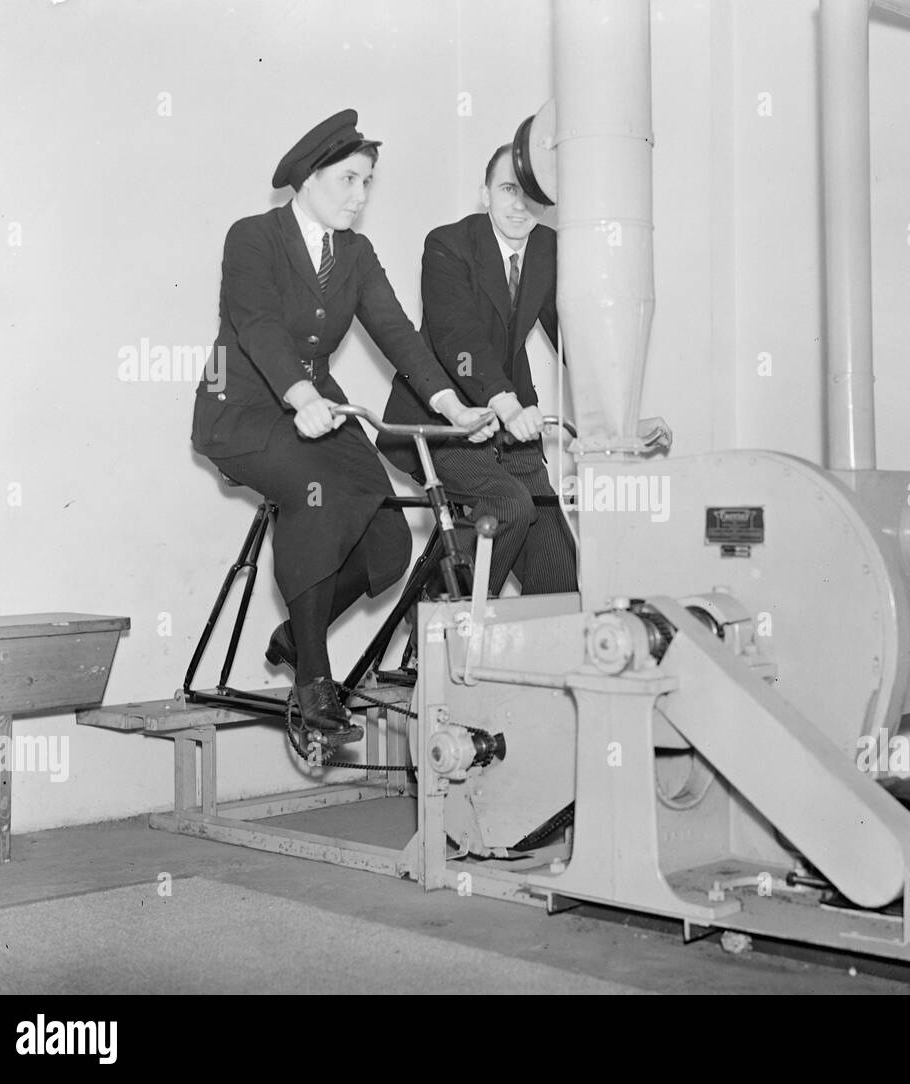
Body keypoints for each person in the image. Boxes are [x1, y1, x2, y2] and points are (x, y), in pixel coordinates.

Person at [191, 110, 497, 737]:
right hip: (245, 407)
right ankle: (314, 682)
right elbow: (259, 327)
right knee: (321, 495)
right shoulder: (253, 236)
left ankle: (295, 634)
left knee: (389, 544)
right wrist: (300, 393)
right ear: (306, 179)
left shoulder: (354, 253)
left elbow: (397, 333)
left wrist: (451, 403)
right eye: (348, 181)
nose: (360, 198)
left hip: (318, 406)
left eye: (367, 184)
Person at [379, 144, 670, 597]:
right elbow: (459, 340)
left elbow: (574, 339)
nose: (519, 205)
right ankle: (440, 628)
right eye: (508, 189)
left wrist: (623, 416)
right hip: (443, 421)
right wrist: (505, 401)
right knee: (508, 507)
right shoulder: (448, 245)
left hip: (512, 426)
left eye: (533, 194)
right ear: (486, 193)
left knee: (559, 573)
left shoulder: (547, 248)